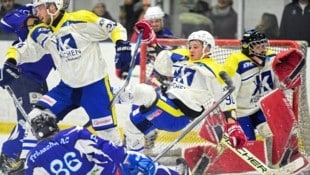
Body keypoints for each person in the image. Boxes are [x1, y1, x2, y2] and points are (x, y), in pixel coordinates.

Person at [1, 0, 133, 168]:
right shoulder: (40, 31)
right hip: (66, 89)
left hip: (95, 88)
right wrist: (10, 62)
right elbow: (23, 49)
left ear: (52, 6)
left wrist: (122, 46)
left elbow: (115, 28)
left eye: (39, 8)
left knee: (109, 137)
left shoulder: (80, 19)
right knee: (35, 118)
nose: (36, 13)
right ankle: (29, 166)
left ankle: (126, 167)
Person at [121, 30, 247, 154]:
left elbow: (226, 98)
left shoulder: (214, 70)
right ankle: (133, 159)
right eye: (190, 46)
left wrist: (232, 126)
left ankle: (111, 96)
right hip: (166, 106)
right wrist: (151, 40)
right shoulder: (182, 57)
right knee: (131, 125)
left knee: (145, 92)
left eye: (196, 47)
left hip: (178, 115)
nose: (191, 49)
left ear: (207, 48)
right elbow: (163, 58)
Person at [0, 4, 79, 174]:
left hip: (40, 81)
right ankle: (11, 157)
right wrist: (28, 17)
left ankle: (12, 155)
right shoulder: (31, 11)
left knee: (40, 119)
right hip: (22, 77)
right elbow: (4, 22)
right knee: (31, 120)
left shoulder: (62, 22)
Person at [223, 29, 307, 168]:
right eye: (258, 46)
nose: (262, 49)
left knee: (277, 131)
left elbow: (278, 86)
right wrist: (230, 118)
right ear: (246, 47)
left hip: (262, 108)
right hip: (241, 111)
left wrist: (287, 83)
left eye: (263, 45)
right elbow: (227, 93)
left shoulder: (272, 57)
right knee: (247, 145)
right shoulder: (235, 63)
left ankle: (276, 165)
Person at [25, 112, 187, 175]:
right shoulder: (73, 134)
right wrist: (127, 156)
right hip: (106, 172)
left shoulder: (32, 159)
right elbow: (104, 147)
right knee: (135, 168)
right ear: (54, 125)